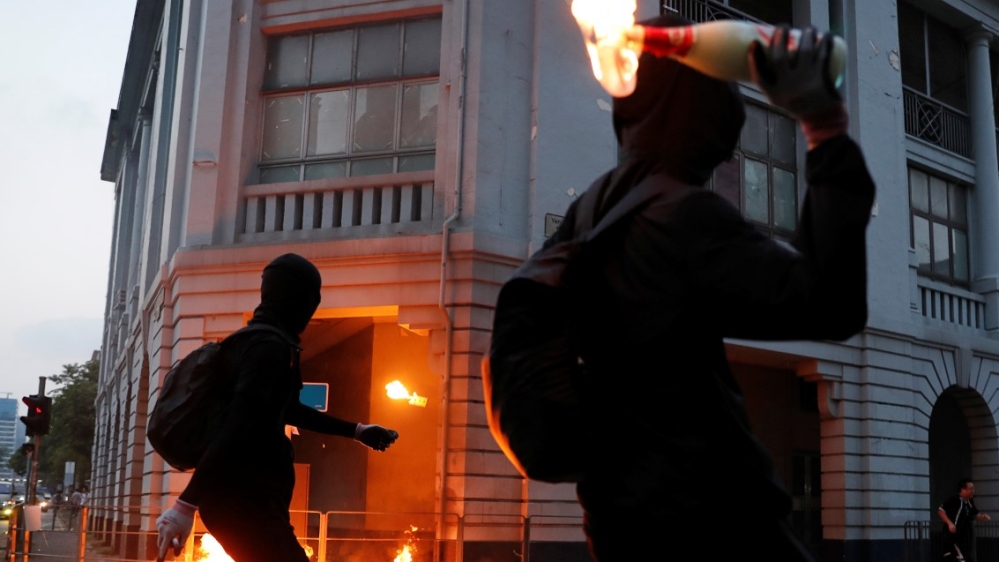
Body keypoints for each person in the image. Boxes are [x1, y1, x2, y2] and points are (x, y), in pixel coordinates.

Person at [550, 15, 876, 561]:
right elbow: (832, 303)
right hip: (712, 524)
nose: (730, 150)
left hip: (618, 522)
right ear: (704, 118)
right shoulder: (682, 216)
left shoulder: (588, 215)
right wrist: (824, 126)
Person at [155, 253, 400, 562]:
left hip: (251, 503)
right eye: (312, 299)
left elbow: (288, 409)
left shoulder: (258, 343)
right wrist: (185, 505)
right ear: (302, 299)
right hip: (244, 504)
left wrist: (358, 431)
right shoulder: (267, 348)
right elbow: (238, 424)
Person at [939, 478, 991, 561]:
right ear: (962, 490)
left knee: (964, 558)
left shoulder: (969, 502)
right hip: (953, 536)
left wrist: (982, 517)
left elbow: (975, 515)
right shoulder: (955, 500)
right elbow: (941, 511)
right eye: (970, 489)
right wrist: (949, 523)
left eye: (973, 489)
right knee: (962, 558)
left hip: (963, 538)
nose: (973, 491)